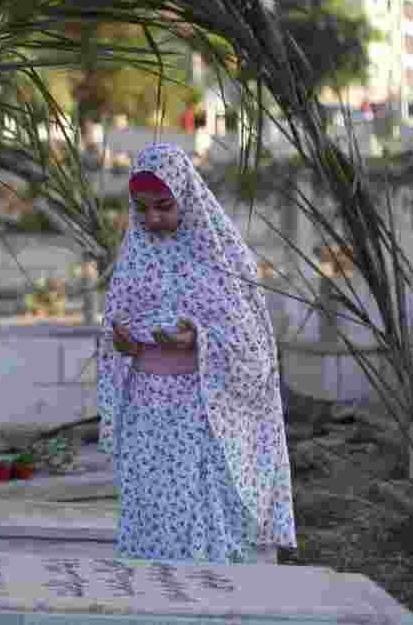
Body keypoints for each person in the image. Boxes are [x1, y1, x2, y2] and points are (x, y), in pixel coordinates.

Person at [96, 143, 297, 564]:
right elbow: (119, 325)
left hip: (204, 411)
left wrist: (200, 341)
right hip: (147, 412)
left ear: (185, 195)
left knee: (200, 516)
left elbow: (254, 347)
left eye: (164, 206)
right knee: (153, 510)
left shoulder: (223, 257)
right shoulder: (135, 259)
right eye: (142, 208)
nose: (152, 218)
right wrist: (125, 345)